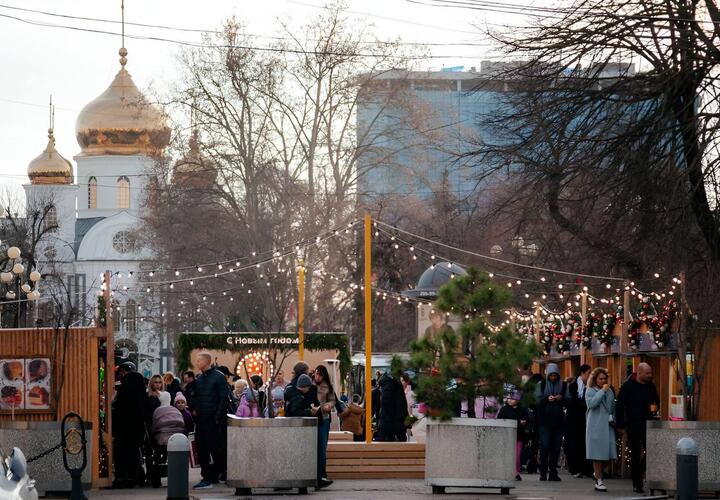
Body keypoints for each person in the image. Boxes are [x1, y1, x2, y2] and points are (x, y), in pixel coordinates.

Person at [616, 362, 660, 494]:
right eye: (647, 373)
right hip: (633, 425)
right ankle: (637, 483)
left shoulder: (651, 386)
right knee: (635, 454)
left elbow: (656, 401)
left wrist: (655, 408)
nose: (650, 375)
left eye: (650, 373)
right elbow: (620, 406)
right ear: (639, 373)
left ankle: (639, 473)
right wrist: (621, 425)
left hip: (648, 424)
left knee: (651, 452)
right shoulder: (628, 386)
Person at [192, 352, 230, 490]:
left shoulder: (218, 377)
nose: (196, 363)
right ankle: (206, 476)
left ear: (206, 361)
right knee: (201, 448)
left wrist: (217, 417)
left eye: (199, 360)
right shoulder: (200, 379)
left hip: (213, 420)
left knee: (215, 448)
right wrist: (195, 408)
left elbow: (223, 398)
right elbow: (198, 397)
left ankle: (219, 472)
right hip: (201, 419)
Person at [112, 370, 147, 488]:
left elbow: (117, 412)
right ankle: (134, 477)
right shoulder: (141, 394)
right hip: (136, 430)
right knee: (134, 453)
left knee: (121, 454)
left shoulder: (123, 393)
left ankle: (122, 477)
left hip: (122, 431)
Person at [534, 363, 568, 481]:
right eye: (551, 375)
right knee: (545, 445)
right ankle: (543, 471)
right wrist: (546, 399)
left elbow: (569, 401)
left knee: (556, 447)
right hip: (544, 421)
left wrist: (561, 398)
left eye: (555, 375)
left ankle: (553, 471)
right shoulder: (541, 385)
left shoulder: (563, 385)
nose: (553, 377)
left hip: (558, 421)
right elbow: (536, 401)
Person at [585, 367, 617, 492]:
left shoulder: (609, 391)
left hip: (607, 425)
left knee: (610, 455)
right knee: (597, 455)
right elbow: (592, 404)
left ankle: (596, 474)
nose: (603, 381)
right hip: (595, 425)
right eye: (600, 379)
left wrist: (613, 417)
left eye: (605, 378)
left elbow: (612, 406)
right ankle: (599, 480)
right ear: (595, 379)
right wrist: (602, 391)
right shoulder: (590, 390)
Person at [566, 364, 592, 478]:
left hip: (585, 419)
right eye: (588, 373)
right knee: (574, 443)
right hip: (573, 419)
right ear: (582, 373)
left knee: (583, 443)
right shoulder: (573, 385)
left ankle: (585, 468)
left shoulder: (590, 386)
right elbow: (571, 401)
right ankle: (575, 467)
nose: (590, 375)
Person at [498, 391, 531, 481]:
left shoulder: (522, 410)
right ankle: (505, 471)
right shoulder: (504, 409)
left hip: (518, 436)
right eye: (509, 398)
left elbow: (527, 420)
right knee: (506, 454)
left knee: (517, 455)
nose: (510, 400)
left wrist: (523, 423)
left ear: (518, 400)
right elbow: (500, 420)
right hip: (506, 435)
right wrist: (518, 422)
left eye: (513, 399)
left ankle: (516, 472)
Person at [313, 365, 336, 487]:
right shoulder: (310, 385)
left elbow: (333, 400)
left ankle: (322, 474)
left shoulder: (328, 386)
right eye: (316, 374)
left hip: (324, 418)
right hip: (311, 419)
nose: (317, 376)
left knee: (322, 448)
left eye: (320, 374)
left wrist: (329, 405)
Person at [377, 372, 409, 442]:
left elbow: (386, 403)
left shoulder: (389, 384)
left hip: (389, 422)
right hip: (394, 423)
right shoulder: (393, 384)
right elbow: (401, 404)